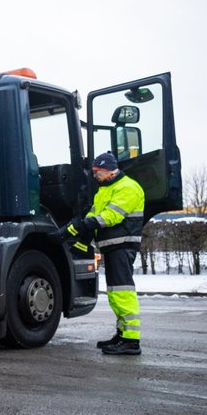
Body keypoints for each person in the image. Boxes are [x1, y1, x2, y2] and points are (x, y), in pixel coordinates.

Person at [58, 152, 145, 355]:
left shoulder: (128, 187)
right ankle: (123, 335)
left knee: (123, 293)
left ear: (109, 170)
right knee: (116, 294)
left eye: (97, 172)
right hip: (113, 246)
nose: (94, 176)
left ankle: (131, 342)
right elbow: (94, 214)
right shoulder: (105, 189)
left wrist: (85, 223)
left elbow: (111, 216)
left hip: (122, 246)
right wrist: (77, 227)